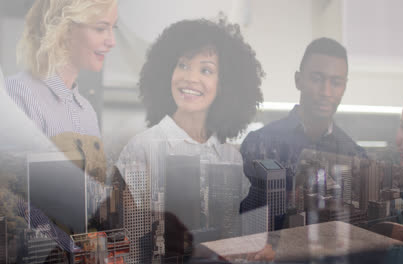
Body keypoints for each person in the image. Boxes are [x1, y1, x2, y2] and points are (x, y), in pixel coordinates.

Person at [115, 17, 264, 262]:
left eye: (205, 70)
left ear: (224, 84)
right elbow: (128, 236)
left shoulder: (230, 158)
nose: (190, 78)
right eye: (183, 65)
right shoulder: (142, 147)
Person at [240, 38, 366, 214]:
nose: (326, 92)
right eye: (316, 79)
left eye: (336, 83)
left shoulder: (355, 155)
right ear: (298, 80)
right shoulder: (258, 144)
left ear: (344, 87)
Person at [5, 0, 118, 183]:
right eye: (100, 29)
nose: (112, 41)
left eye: (114, 28)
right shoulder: (17, 94)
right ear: (65, 30)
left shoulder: (86, 111)